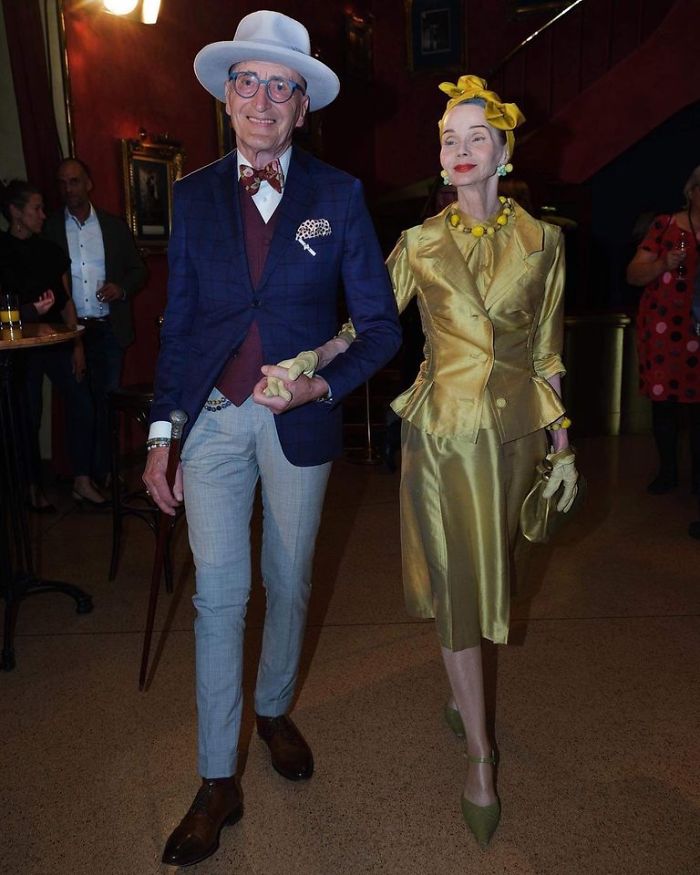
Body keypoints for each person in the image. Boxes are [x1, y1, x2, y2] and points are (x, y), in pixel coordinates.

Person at [279, 74, 580, 847]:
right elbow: (368, 322)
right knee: (458, 589)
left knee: (498, 579)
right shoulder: (419, 244)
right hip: (442, 438)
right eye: (450, 139)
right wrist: (313, 357)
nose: (462, 150)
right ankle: (480, 755)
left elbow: (548, 352)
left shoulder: (545, 242)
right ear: (440, 158)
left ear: (505, 152)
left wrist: (561, 438)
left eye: (478, 137)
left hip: (514, 439)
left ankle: (461, 692)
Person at [142, 11, 400, 868]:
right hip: (212, 420)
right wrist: (161, 434)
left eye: (280, 86)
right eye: (247, 82)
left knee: (287, 583)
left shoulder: (339, 195)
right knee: (219, 597)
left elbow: (380, 328)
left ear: (301, 106)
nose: (262, 99)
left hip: (300, 420)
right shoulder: (191, 196)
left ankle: (275, 705)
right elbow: (180, 324)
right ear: (227, 96)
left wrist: (322, 383)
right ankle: (218, 778)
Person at [0, 179, 106, 509]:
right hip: (19, 347)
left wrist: (77, 345)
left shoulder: (50, 250)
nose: (43, 215)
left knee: (82, 402)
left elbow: (66, 301)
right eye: (36, 208)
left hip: (56, 340)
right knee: (27, 414)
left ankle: (82, 480)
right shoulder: (2, 250)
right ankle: (30, 486)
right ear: (16, 212)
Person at [43, 158, 147, 489]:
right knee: (79, 404)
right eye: (62, 183)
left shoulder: (112, 226)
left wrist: (121, 288)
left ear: (88, 183)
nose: (68, 189)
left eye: (74, 181)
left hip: (108, 327)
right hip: (68, 331)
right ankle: (82, 478)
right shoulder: (50, 229)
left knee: (106, 402)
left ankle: (106, 471)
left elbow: (139, 270)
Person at [626, 166, 700, 494]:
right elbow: (633, 274)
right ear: (691, 191)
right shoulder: (664, 225)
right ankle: (667, 471)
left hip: (698, 328)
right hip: (665, 327)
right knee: (664, 401)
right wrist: (662, 264)